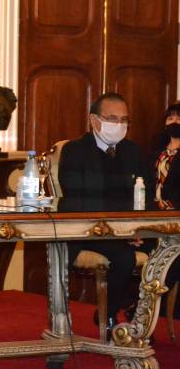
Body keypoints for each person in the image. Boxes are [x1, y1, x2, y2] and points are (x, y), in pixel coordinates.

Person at [59, 92, 151, 338]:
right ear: (94, 120)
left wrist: (137, 229)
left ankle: (139, 311)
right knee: (124, 258)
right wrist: (119, 232)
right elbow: (78, 198)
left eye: (124, 120)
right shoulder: (75, 150)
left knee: (172, 249)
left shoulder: (132, 151)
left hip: (129, 229)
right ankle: (109, 315)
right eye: (112, 118)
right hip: (89, 230)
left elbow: (146, 194)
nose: (119, 125)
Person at [141, 101, 180, 307]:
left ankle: (147, 306)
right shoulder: (155, 150)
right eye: (170, 117)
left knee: (174, 257)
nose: (174, 121)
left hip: (176, 216)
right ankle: (142, 304)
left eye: (179, 117)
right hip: (150, 212)